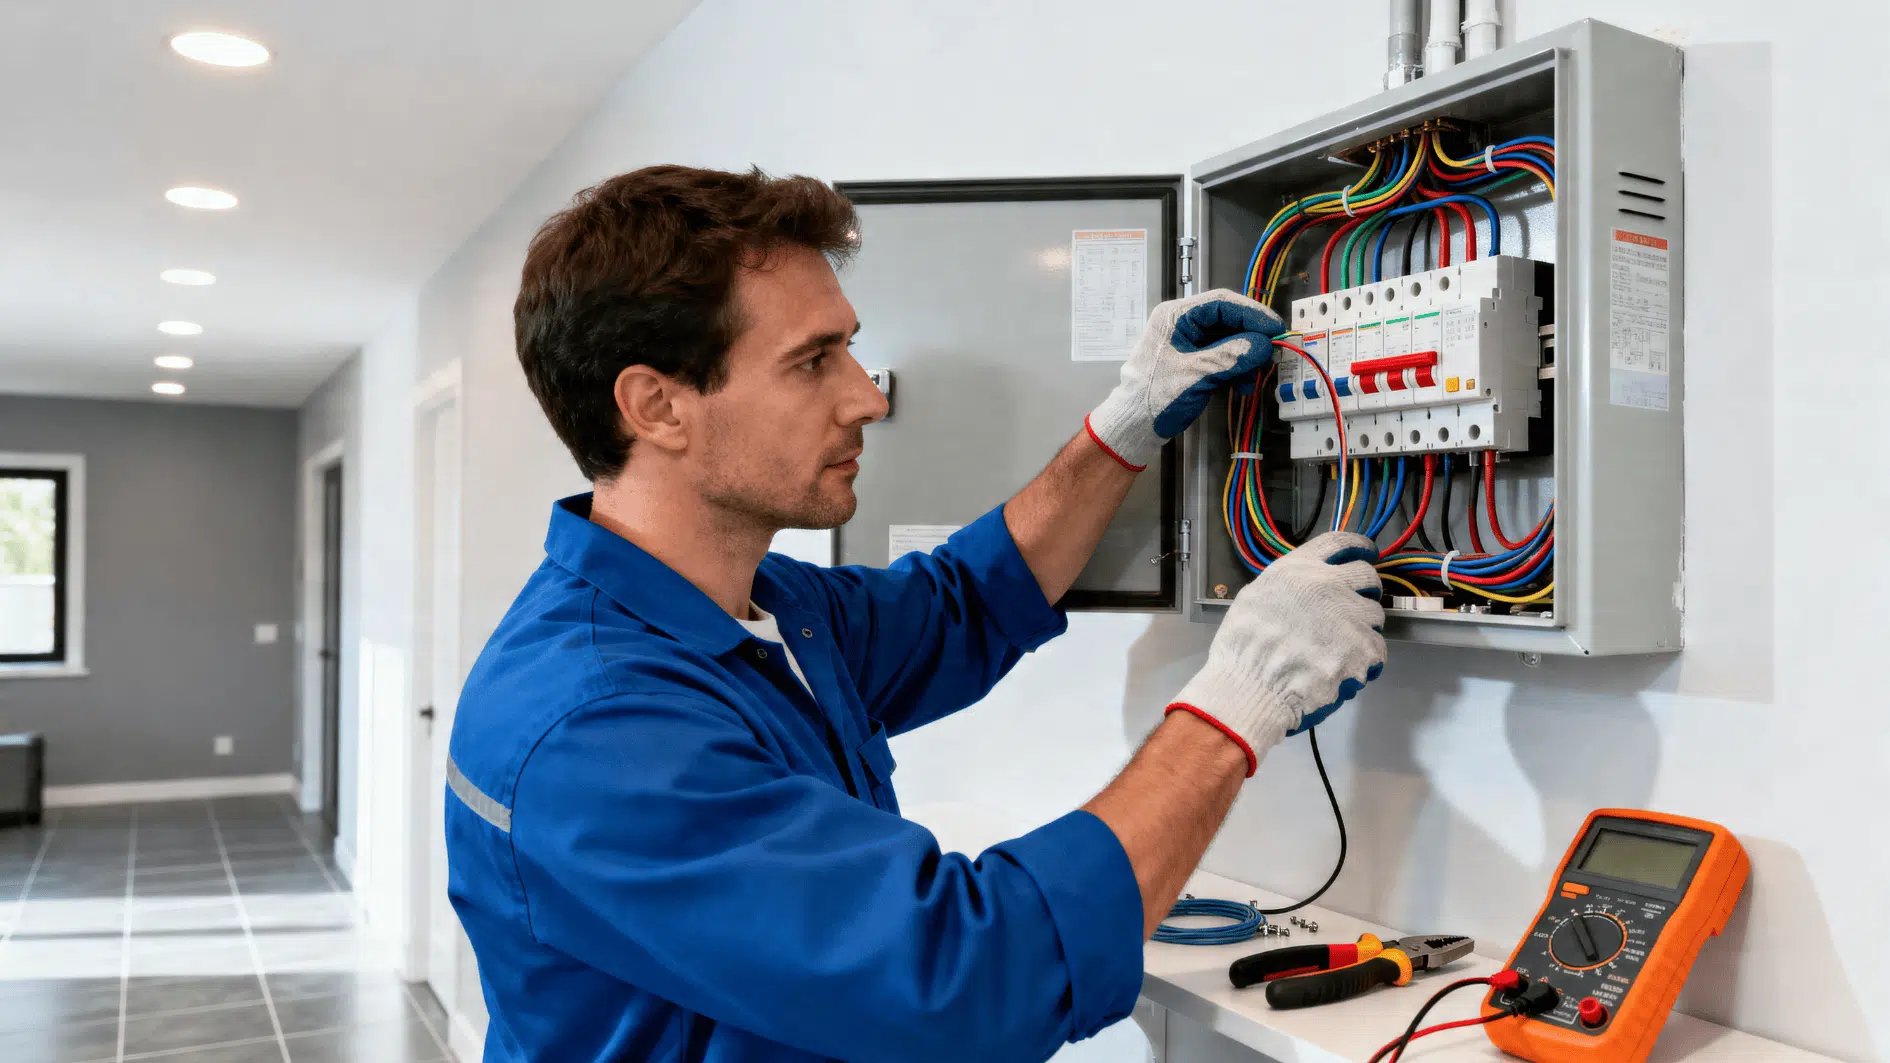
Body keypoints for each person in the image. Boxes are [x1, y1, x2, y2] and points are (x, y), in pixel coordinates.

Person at [445, 165, 1385, 1063]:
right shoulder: (599, 727)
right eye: (814, 360)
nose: (866, 395)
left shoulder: (760, 610)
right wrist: (1237, 704)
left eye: (848, 346)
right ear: (657, 406)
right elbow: (963, 981)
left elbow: (965, 601)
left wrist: (1125, 426)